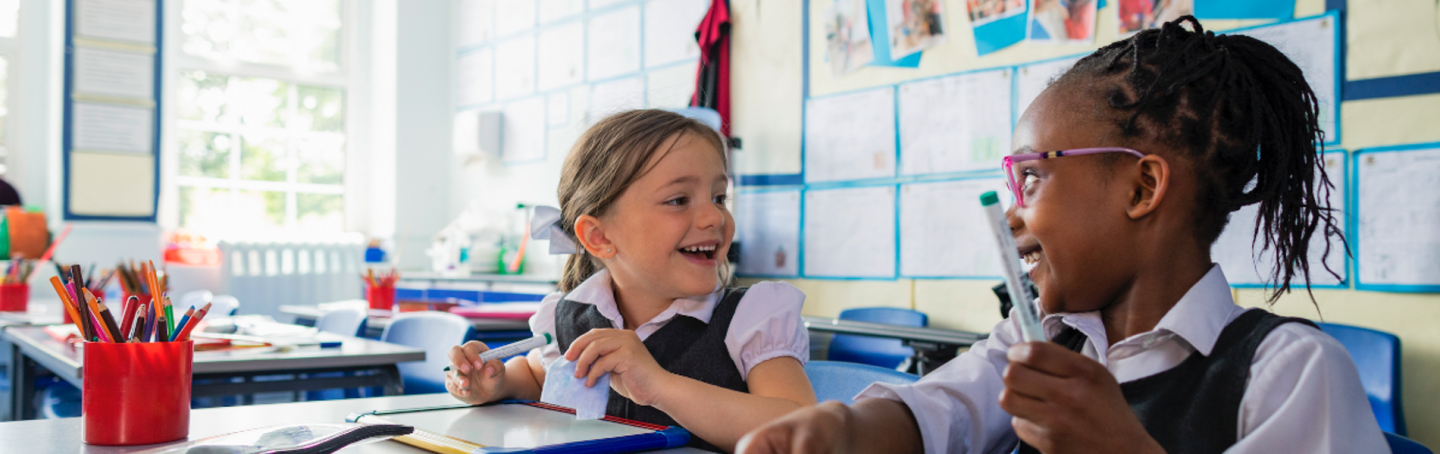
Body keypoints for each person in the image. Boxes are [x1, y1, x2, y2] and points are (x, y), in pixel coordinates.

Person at [737, 17, 1386, 454]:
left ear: (1140, 189)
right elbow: (937, 411)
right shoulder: (1041, 342)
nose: (1012, 216)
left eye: (1032, 180)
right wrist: (839, 429)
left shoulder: (1289, 372)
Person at [445, 109, 816, 452]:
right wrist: (497, 382)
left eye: (719, 197)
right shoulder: (573, 315)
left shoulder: (752, 318)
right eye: (678, 200)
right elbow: (536, 373)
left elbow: (804, 430)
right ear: (599, 237)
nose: (714, 218)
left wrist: (659, 386)